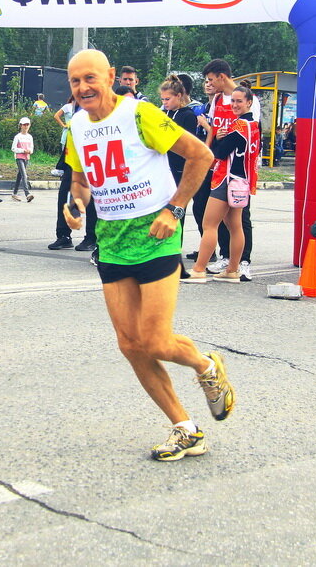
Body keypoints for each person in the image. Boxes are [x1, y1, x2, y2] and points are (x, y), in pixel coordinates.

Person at [63, 49, 233, 462]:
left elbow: (202, 155)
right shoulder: (76, 125)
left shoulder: (139, 114)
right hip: (113, 242)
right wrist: (78, 204)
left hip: (156, 235)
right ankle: (185, 429)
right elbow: (81, 180)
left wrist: (174, 209)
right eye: (74, 81)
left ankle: (205, 366)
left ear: (108, 77)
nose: (83, 87)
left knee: (155, 340)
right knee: (130, 344)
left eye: (90, 78)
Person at [185, 85, 259, 283]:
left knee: (209, 224)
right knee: (235, 227)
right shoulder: (254, 126)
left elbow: (219, 152)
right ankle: (232, 270)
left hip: (226, 179)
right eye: (233, 101)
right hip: (242, 181)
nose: (234, 105)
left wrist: (212, 131)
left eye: (239, 101)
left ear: (249, 103)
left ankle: (199, 269)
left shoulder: (239, 126)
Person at [49, 95, 98, 252]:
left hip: (90, 160)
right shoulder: (74, 106)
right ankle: (64, 236)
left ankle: (91, 237)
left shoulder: (98, 106)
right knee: (66, 197)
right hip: (72, 159)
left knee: (89, 200)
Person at [11, 117, 35, 202]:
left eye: (27, 124)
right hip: (19, 158)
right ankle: (27, 194)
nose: (26, 126)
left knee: (20, 175)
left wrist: (29, 151)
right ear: (20, 125)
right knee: (24, 175)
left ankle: (14, 193)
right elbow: (13, 148)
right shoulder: (17, 137)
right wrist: (22, 150)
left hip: (26, 157)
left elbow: (32, 147)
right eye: (24, 125)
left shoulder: (30, 137)